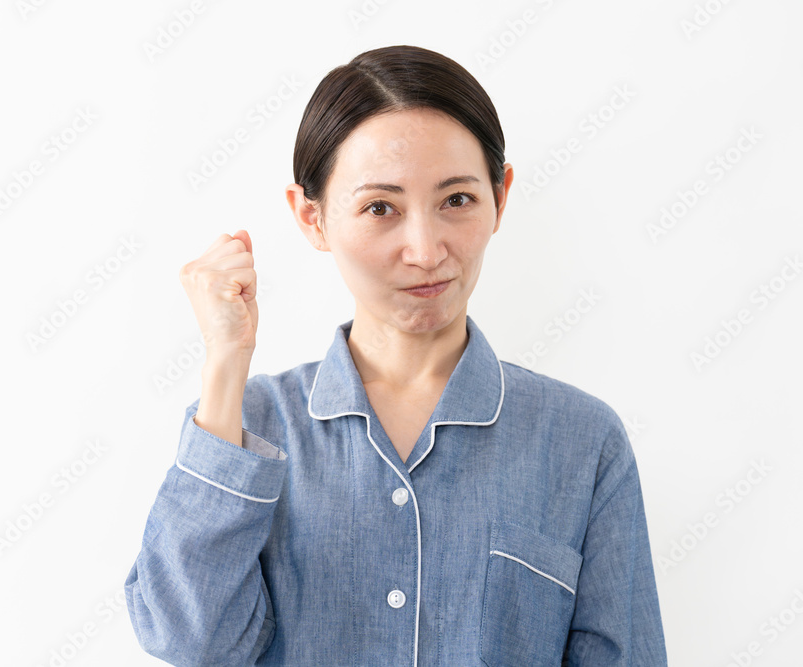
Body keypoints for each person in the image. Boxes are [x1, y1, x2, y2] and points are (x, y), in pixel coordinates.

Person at [124, 44, 668, 666]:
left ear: (500, 197)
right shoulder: (247, 429)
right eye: (380, 207)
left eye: (456, 200)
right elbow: (187, 639)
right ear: (312, 217)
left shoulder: (582, 441)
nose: (426, 250)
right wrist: (226, 360)